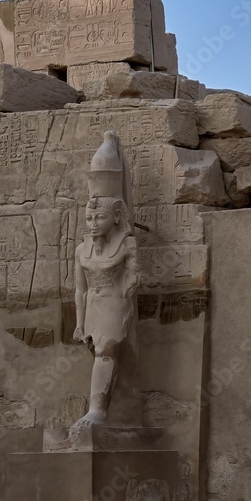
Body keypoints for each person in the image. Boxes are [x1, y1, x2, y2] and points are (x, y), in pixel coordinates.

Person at [72, 131, 140, 427]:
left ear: (116, 216)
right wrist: (78, 322)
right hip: (92, 307)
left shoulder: (126, 243)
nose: (93, 224)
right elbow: (79, 289)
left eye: (99, 217)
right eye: (89, 218)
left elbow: (133, 279)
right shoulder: (81, 249)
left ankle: (97, 411)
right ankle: (103, 409)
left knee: (105, 351)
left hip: (115, 302)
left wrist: (126, 294)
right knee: (100, 354)